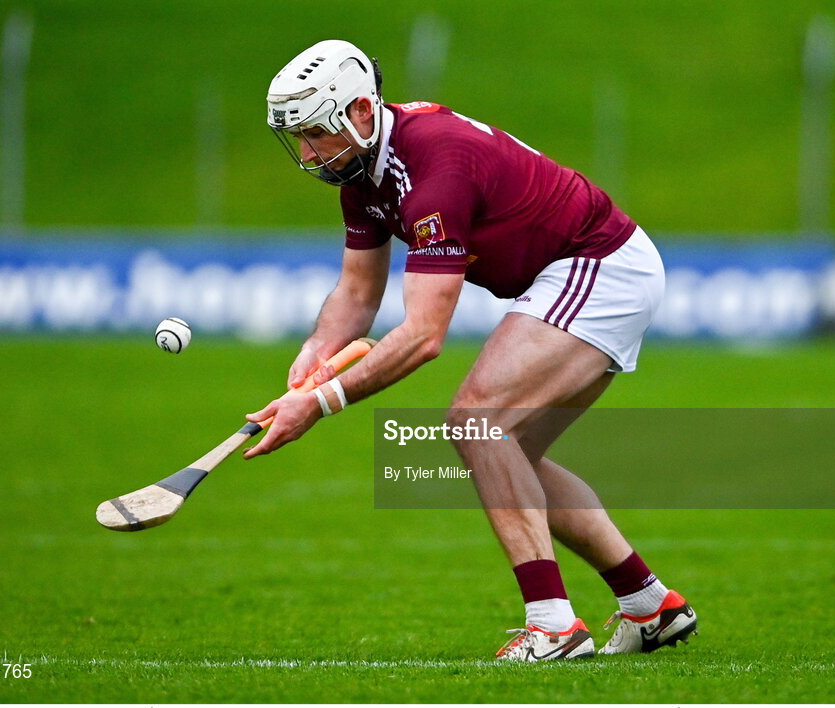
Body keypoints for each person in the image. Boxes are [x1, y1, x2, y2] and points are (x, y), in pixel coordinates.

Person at [246, 39, 697, 661]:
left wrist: (322, 403)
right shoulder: (361, 177)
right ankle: (651, 607)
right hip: (581, 270)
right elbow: (356, 294)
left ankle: (554, 627)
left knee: (477, 421)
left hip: (598, 263)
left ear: (359, 112)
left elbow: (424, 336)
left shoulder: (434, 167)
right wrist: (311, 360)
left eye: (313, 133)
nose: (305, 152)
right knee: (515, 453)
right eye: (296, 137)